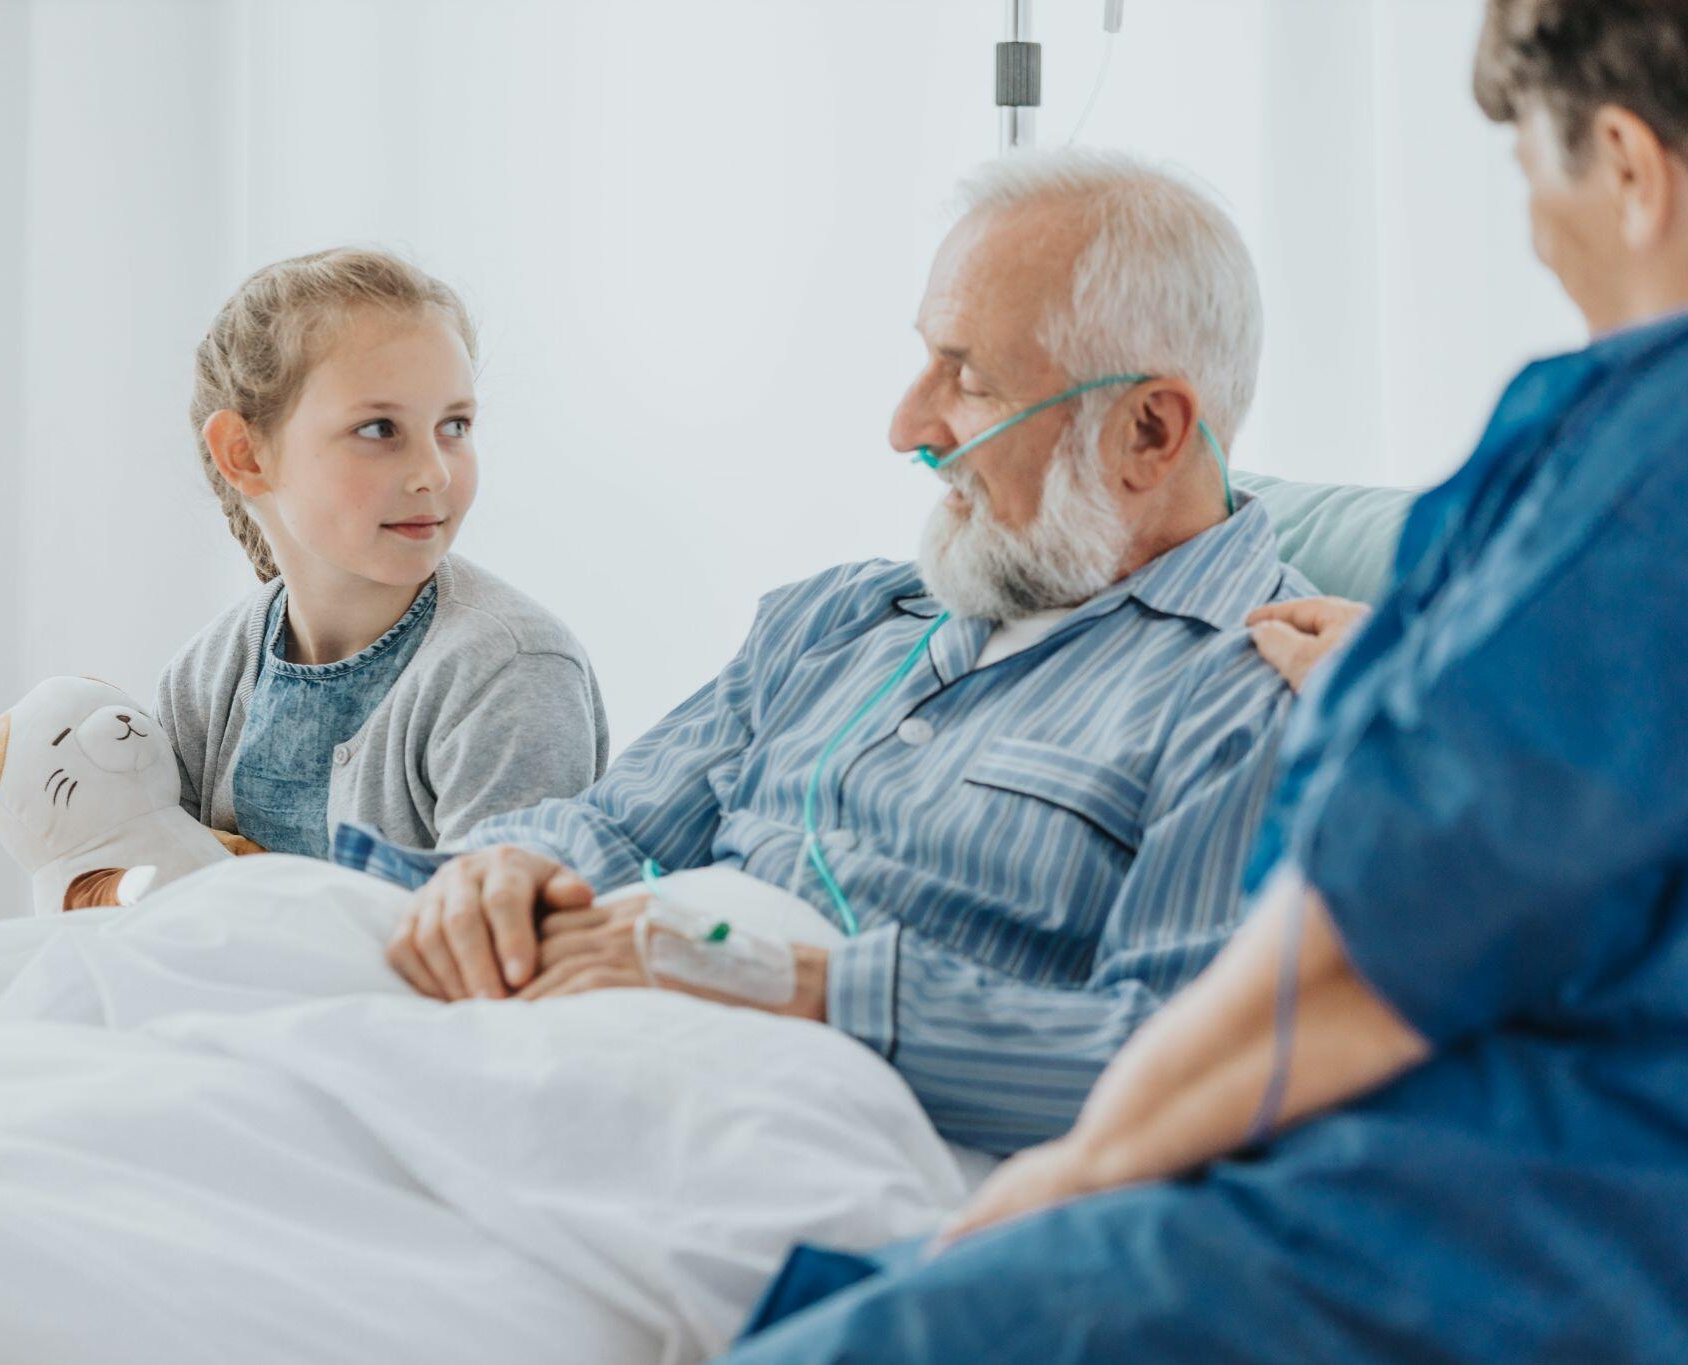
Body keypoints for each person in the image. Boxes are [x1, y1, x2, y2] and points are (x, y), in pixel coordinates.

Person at [724, 0, 1688, 1358]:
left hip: (1534, 1225)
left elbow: (1383, 936)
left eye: (1532, 181)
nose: (1543, 242)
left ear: (1626, 162)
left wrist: (1074, 1174)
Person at [348, 151, 1316, 1156]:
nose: (906, 426)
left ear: (1147, 432)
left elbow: (1184, 1068)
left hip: (786, 1132)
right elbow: (615, 828)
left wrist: (771, 981)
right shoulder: (838, 616)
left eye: (969, 379)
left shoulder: (1258, 696)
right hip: (580, 1032)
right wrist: (506, 876)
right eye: (926, 357)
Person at [158, 248, 609, 859]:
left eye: (455, 426)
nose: (433, 474)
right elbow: (146, 899)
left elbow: (489, 939)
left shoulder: (511, 671)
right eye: (378, 429)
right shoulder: (205, 678)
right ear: (245, 454)